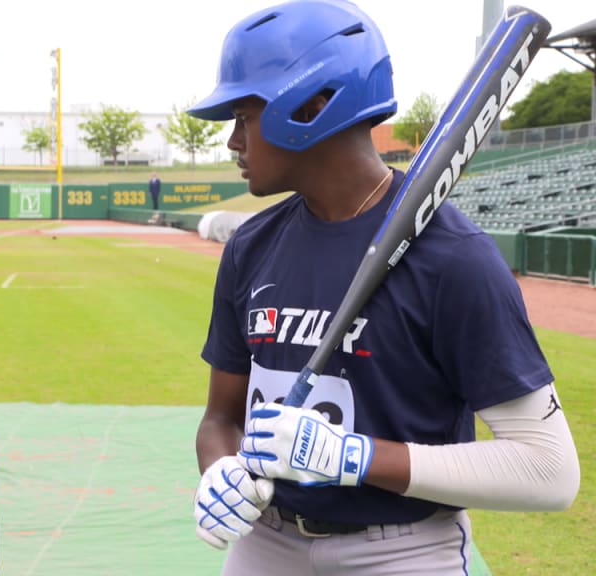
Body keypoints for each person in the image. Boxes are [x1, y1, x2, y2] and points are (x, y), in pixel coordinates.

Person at [187, 2, 580, 575]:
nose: (232, 142)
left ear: (312, 106)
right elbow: (222, 418)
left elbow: (549, 471)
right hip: (266, 545)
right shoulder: (251, 246)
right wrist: (219, 471)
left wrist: (352, 456)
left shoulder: (454, 260)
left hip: (401, 549)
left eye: (244, 116)